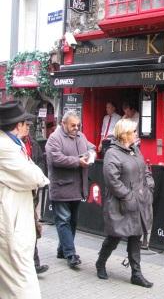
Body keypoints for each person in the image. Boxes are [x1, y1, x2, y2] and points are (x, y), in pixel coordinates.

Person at [95, 118, 154, 288]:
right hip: (120, 203)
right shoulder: (112, 153)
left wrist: (149, 186)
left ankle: (136, 273)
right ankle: (101, 262)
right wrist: (128, 196)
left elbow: (145, 170)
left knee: (135, 236)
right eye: (133, 131)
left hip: (139, 202)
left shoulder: (135, 149)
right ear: (125, 134)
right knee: (114, 237)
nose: (136, 134)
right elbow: (112, 181)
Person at [0, 101, 49, 299]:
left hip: (17, 219)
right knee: (23, 287)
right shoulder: (5, 147)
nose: (28, 126)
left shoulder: (12, 143)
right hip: (11, 222)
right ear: (17, 125)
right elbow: (36, 177)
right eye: (25, 123)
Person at [45, 111, 95, 268]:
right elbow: (56, 158)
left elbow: (91, 147)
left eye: (78, 125)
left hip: (77, 188)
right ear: (63, 124)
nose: (76, 128)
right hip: (61, 188)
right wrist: (77, 161)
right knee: (63, 221)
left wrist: (92, 153)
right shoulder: (54, 138)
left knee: (72, 221)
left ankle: (62, 249)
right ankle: (70, 253)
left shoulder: (81, 136)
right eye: (73, 125)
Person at [23, 129, 49, 275]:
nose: (26, 128)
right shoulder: (11, 146)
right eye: (23, 125)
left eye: (27, 125)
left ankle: (34, 263)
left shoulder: (33, 143)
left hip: (32, 192)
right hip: (20, 193)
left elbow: (40, 162)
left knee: (33, 226)